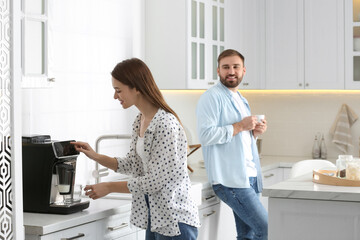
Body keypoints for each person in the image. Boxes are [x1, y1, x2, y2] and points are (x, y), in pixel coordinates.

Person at [72, 58, 200, 240]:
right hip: (155, 216)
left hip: (175, 220)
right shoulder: (140, 121)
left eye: (118, 90)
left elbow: (155, 181)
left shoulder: (165, 124)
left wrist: (109, 187)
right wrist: (95, 156)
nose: (115, 96)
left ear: (136, 87)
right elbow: (133, 165)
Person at [196, 49, 268, 240]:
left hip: (250, 177)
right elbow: (205, 135)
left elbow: (239, 140)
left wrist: (253, 134)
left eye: (236, 67)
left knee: (248, 235)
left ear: (244, 70)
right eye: (226, 67)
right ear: (218, 71)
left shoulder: (241, 99)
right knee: (267, 229)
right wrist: (239, 126)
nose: (231, 71)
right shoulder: (211, 97)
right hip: (231, 181)